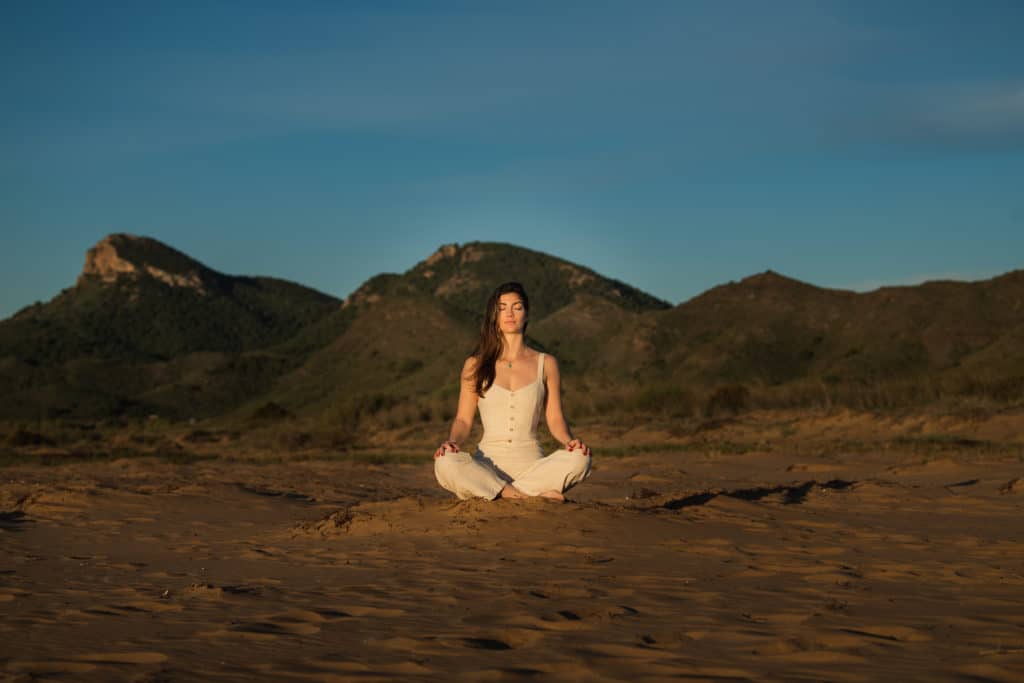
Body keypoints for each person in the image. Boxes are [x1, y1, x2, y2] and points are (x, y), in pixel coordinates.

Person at [433, 281, 592, 501]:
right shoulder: (474, 364)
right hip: (486, 467)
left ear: (526, 315)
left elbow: (555, 418)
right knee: (445, 462)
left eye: (517, 307)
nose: (509, 313)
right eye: (502, 308)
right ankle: (526, 497)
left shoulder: (546, 363)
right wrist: (452, 442)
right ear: (494, 316)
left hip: (533, 467)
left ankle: (499, 493)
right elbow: (463, 420)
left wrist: (569, 441)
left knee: (580, 458)